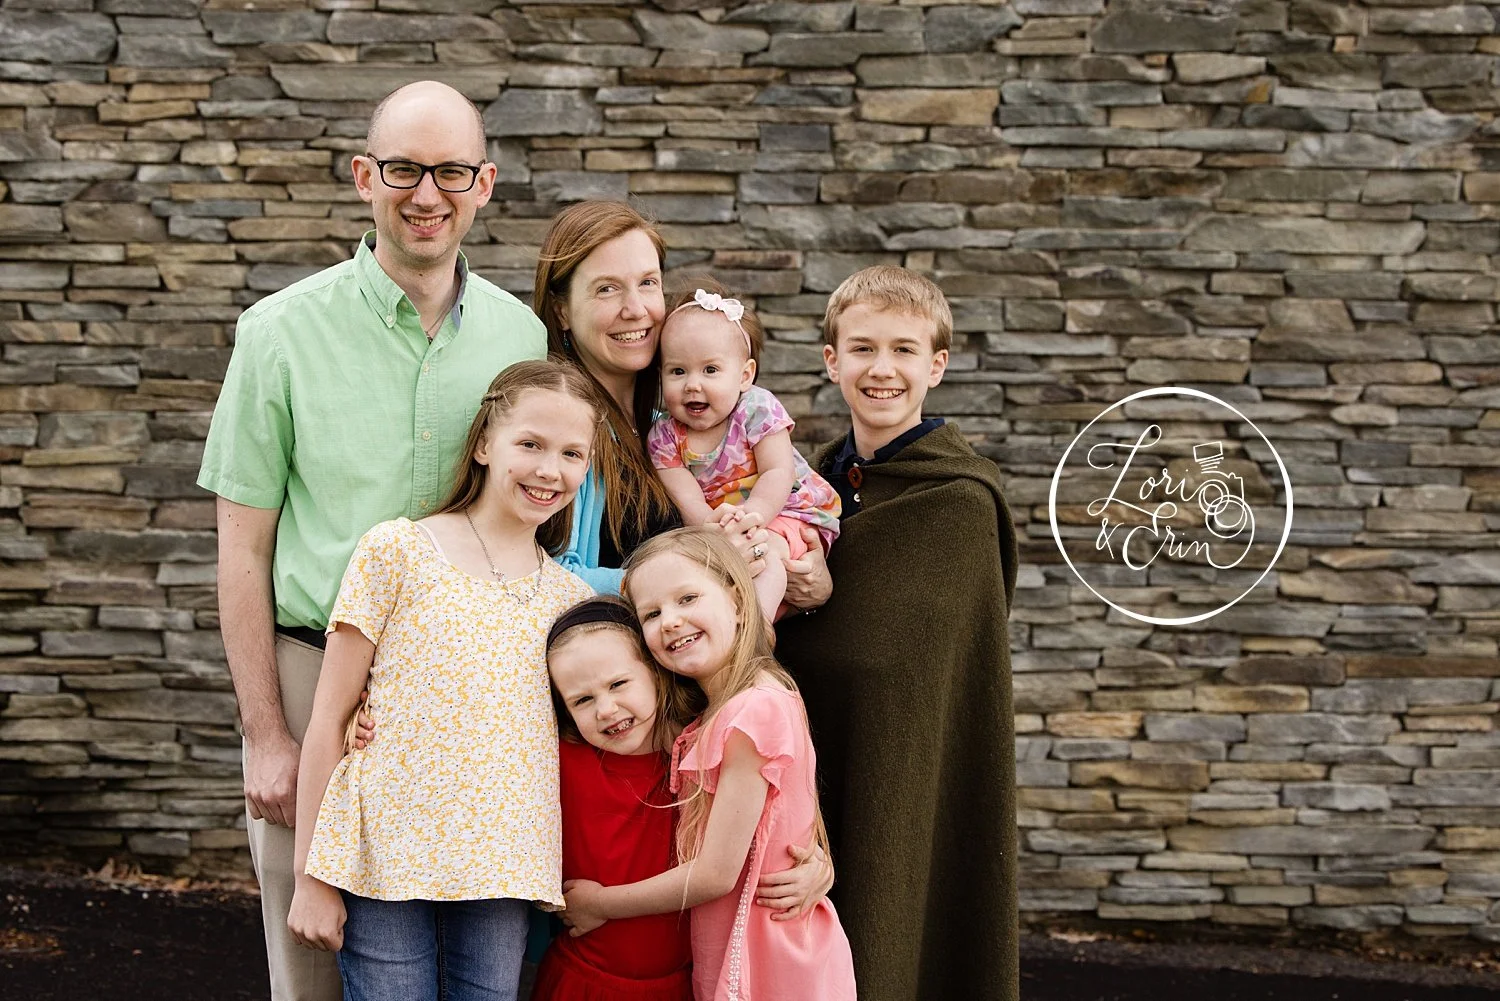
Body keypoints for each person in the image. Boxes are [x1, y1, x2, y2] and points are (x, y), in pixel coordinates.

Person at [196, 80, 547, 1001]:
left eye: (450, 172)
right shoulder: (277, 334)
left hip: (469, 694)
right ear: (363, 176)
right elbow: (243, 550)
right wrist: (267, 732)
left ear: (486, 183)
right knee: (314, 964)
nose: (425, 193)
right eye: (402, 168)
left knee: (467, 964)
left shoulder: (520, 334)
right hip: (317, 682)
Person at [285, 360, 598, 1000]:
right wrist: (308, 877)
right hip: (385, 860)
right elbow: (328, 721)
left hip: (502, 867)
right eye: (531, 444)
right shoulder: (398, 551)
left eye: (572, 453)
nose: (550, 470)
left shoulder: (568, 602)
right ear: (484, 443)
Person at [775, 266, 1020, 1001]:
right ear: (831, 360)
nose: (882, 369)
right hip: (807, 765)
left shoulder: (959, 501)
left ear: (936, 365)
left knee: (897, 934)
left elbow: (918, 668)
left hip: (900, 767)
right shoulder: (808, 486)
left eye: (905, 350)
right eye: (862, 348)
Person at [565, 528, 856, 1001]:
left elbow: (716, 874)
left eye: (688, 598)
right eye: (653, 613)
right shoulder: (718, 712)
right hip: (741, 947)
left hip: (767, 956)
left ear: (739, 602)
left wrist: (601, 903)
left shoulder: (752, 711)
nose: (672, 621)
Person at [647, 282, 840, 621]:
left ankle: (758, 628)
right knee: (718, 574)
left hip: (786, 510)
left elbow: (778, 471)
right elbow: (687, 499)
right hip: (721, 530)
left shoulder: (755, 409)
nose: (693, 384)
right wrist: (713, 528)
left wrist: (755, 515)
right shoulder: (664, 437)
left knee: (766, 553)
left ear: (744, 375)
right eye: (677, 371)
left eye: (710, 370)